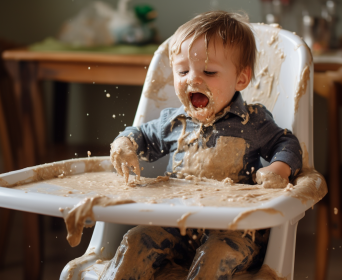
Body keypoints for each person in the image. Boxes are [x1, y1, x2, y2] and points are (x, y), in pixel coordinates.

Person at [106, 11, 302, 280]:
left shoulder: (252, 121)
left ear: (240, 79)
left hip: (235, 230)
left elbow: (286, 143)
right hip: (176, 226)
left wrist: (279, 169)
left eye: (209, 72)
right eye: (183, 71)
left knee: (214, 258)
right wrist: (125, 143)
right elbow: (141, 136)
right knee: (135, 240)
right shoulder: (173, 122)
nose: (193, 79)